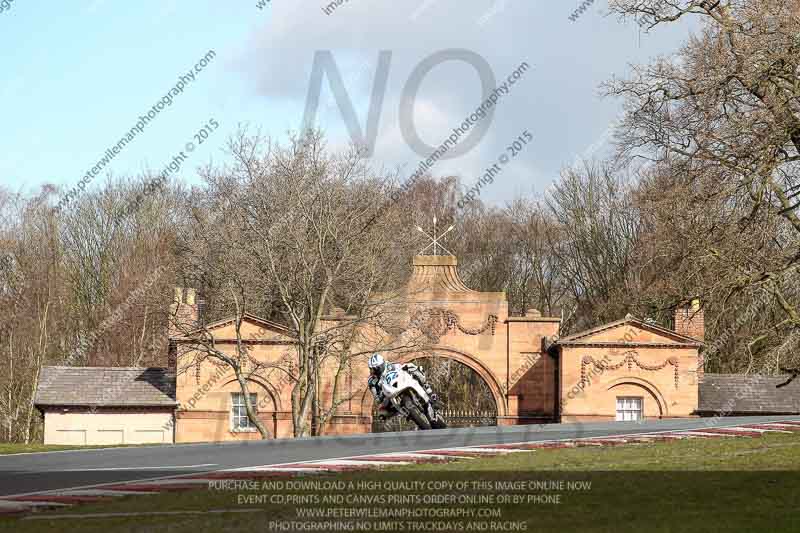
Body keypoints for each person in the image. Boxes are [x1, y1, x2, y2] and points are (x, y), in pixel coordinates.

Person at [367, 353, 437, 419]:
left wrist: (406, 368)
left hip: (400, 383)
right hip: (389, 394)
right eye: (371, 369)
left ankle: (428, 390)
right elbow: (377, 398)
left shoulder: (390, 365)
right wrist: (380, 396)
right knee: (382, 413)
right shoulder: (372, 381)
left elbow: (400, 367)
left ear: (381, 365)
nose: (373, 371)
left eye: (375, 368)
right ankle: (403, 413)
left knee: (412, 367)